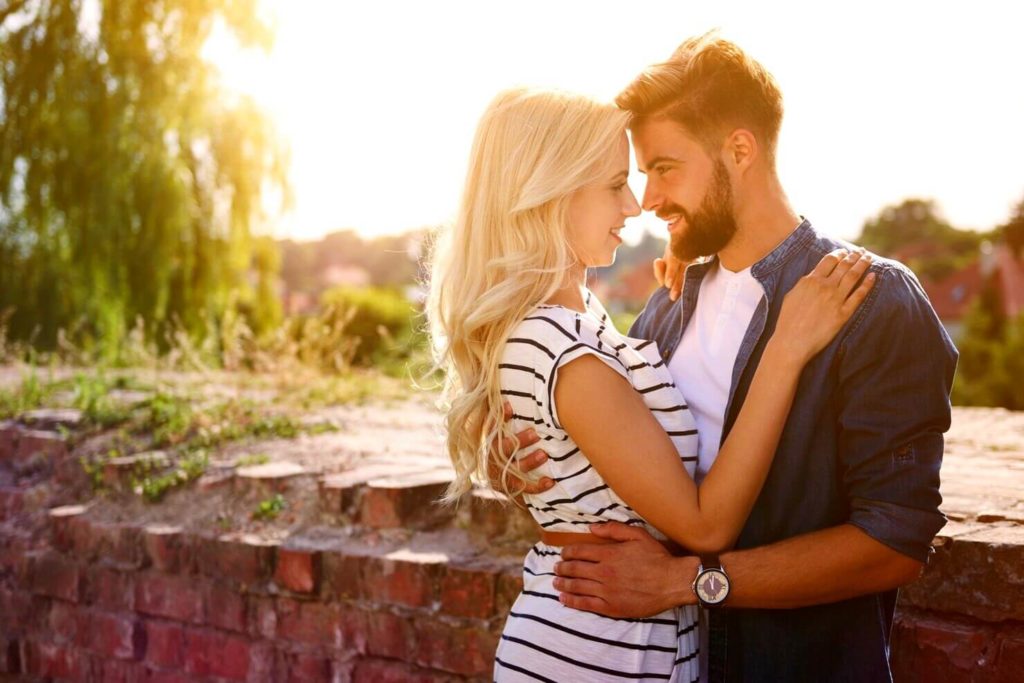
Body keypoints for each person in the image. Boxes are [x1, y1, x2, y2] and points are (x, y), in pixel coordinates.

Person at [505, 33, 958, 682]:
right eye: (639, 176)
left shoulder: (869, 300)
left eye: (664, 168)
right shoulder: (665, 310)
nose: (648, 200)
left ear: (739, 150)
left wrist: (687, 581)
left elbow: (893, 544)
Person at [428, 85, 875, 682]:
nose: (635, 206)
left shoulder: (576, 323)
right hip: (594, 659)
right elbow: (705, 526)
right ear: (550, 193)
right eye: (615, 184)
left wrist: (700, 246)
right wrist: (786, 348)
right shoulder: (562, 349)